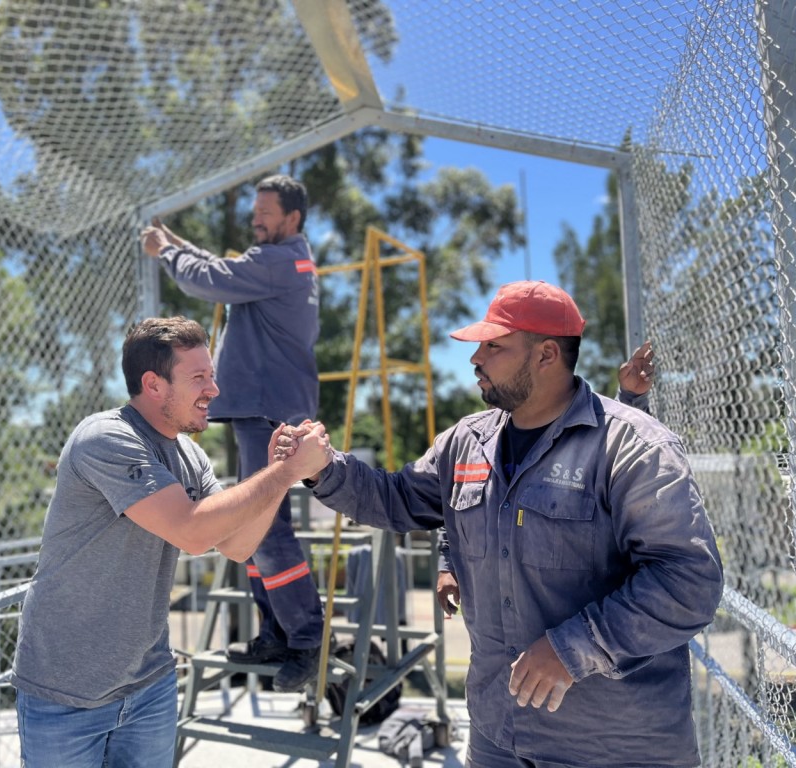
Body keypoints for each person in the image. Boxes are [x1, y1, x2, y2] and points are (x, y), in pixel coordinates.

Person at [281, 281, 724, 768]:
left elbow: (687, 581)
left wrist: (573, 647)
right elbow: (397, 499)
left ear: (546, 354)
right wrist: (323, 467)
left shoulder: (633, 447)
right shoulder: (466, 442)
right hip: (499, 735)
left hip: (613, 745)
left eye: (494, 346)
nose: (476, 359)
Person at [11, 317, 331, 768]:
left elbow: (237, 545)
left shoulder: (190, 453)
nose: (214, 390)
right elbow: (193, 532)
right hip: (67, 691)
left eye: (212, 375)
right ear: (153, 384)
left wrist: (280, 473)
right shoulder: (105, 437)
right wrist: (285, 472)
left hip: (149, 684)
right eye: (199, 377)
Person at [139, 174, 323, 692]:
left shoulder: (280, 261)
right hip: (262, 409)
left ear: (292, 219)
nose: (256, 220)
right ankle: (276, 632)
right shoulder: (286, 261)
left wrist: (166, 255)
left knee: (266, 528)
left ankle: (305, 636)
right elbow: (224, 268)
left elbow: (211, 280)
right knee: (254, 525)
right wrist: (177, 242)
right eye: (254, 212)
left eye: (265, 213)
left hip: (268, 411)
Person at [436, 339, 656, 618]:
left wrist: (631, 399)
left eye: (494, 349)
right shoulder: (476, 442)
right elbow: (456, 508)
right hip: (493, 637)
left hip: (571, 636)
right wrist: (447, 565)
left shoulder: (567, 433)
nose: (479, 366)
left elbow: (617, 449)